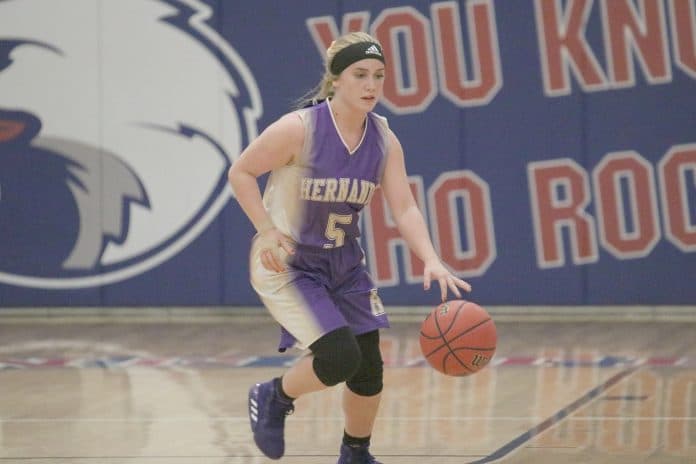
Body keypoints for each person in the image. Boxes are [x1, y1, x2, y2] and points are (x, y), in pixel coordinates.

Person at [227, 31, 471, 464]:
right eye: (360, 74)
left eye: (378, 75)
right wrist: (265, 229)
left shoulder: (383, 139)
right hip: (289, 264)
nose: (371, 85)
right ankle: (274, 396)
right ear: (336, 79)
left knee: (368, 370)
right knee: (339, 357)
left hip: (343, 264)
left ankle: (355, 454)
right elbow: (241, 172)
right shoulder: (299, 129)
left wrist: (431, 258)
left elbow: (405, 206)